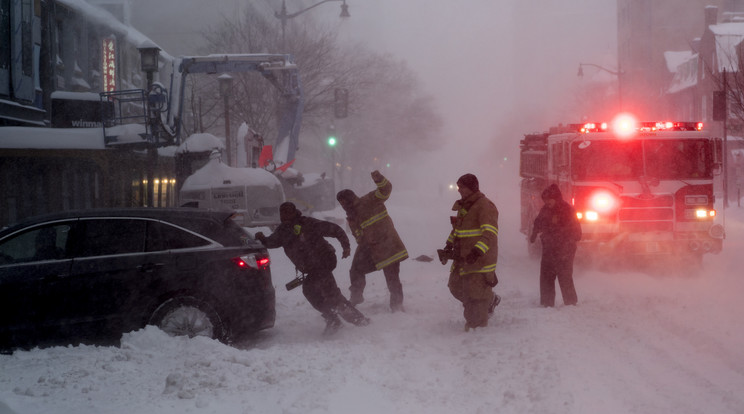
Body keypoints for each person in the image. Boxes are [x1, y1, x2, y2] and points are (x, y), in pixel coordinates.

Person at [255, 202, 369, 335]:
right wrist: (262, 239)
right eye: (282, 213)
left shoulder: (308, 224)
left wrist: (346, 246)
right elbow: (272, 242)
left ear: (294, 212)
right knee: (311, 291)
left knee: (331, 294)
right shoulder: (283, 231)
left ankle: (357, 321)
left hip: (324, 262)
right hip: (312, 268)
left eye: (287, 212)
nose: (284, 216)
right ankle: (333, 318)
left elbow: (335, 229)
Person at [336, 170, 408, 312]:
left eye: (344, 203)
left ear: (351, 199)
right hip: (370, 249)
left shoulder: (369, 200)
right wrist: (362, 244)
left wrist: (379, 178)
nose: (343, 206)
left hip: (388, 246)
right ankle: (356, 296)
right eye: (341, 204)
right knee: (356, 269)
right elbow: (358, 236)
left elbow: (385, 190)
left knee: (392, 277)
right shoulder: (352, 217)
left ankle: (397, 306)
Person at [441, 173, 500, 331]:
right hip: (464, 259)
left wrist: (476, 252)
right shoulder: (464, 206)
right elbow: (458, 231)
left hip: (479, 261)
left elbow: (489, 234)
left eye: (462, 188)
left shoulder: (485, 206)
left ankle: (476, 329)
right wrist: (448, 246)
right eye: (458, 187)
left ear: (472, 188)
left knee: (474, 295)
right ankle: (489, 299)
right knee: (455, 286)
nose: (459, 191)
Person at [529, 183, 581, 307]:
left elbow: (577, 233)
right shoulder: (545, 209)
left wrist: (563, 241)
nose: (547, 203)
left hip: (565, 249)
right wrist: (534, 233)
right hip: (549, 248)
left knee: (564, 275)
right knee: (546, 275)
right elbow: (538, 221)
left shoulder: (567, 210)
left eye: (549, 200)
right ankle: (547, 303)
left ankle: (570, 303)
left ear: (556, 198)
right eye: (545, 200)